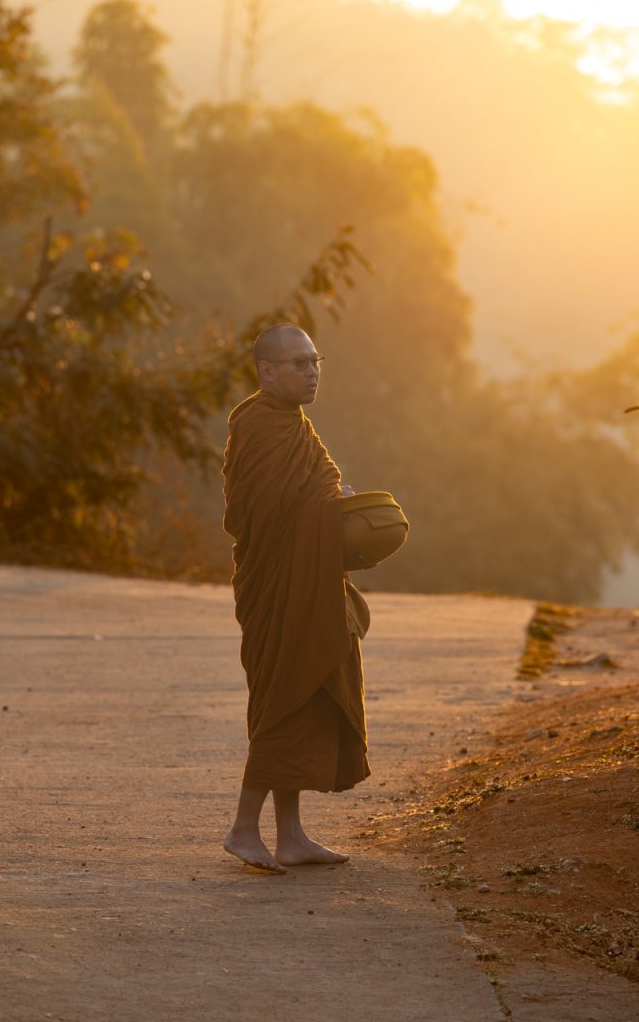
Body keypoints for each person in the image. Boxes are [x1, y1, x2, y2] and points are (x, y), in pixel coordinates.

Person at [222, 323, 371, 873]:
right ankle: (242, 828)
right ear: (267, 372)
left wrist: (338, 507)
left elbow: (312, 495)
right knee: (284, 696)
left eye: (316, 362)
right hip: (275, 586)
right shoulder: (259, 426)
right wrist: (331, 515)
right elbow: (258, 516)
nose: (312, 372)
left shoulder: (295, 424)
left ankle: (290, 835)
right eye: (299, 363)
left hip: (303, 582)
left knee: (305, 692)